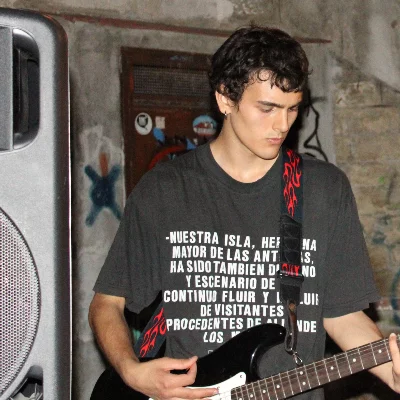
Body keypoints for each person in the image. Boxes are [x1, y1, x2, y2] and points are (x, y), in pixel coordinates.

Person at [89, 26, 400, 400]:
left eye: (292, 108)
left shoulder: (324, 190)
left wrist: (391, 369)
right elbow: (107, 303)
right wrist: (131, 370)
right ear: (225, 98)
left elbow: (342, 315)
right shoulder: (165, 189)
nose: (282, 125)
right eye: (267, 108)